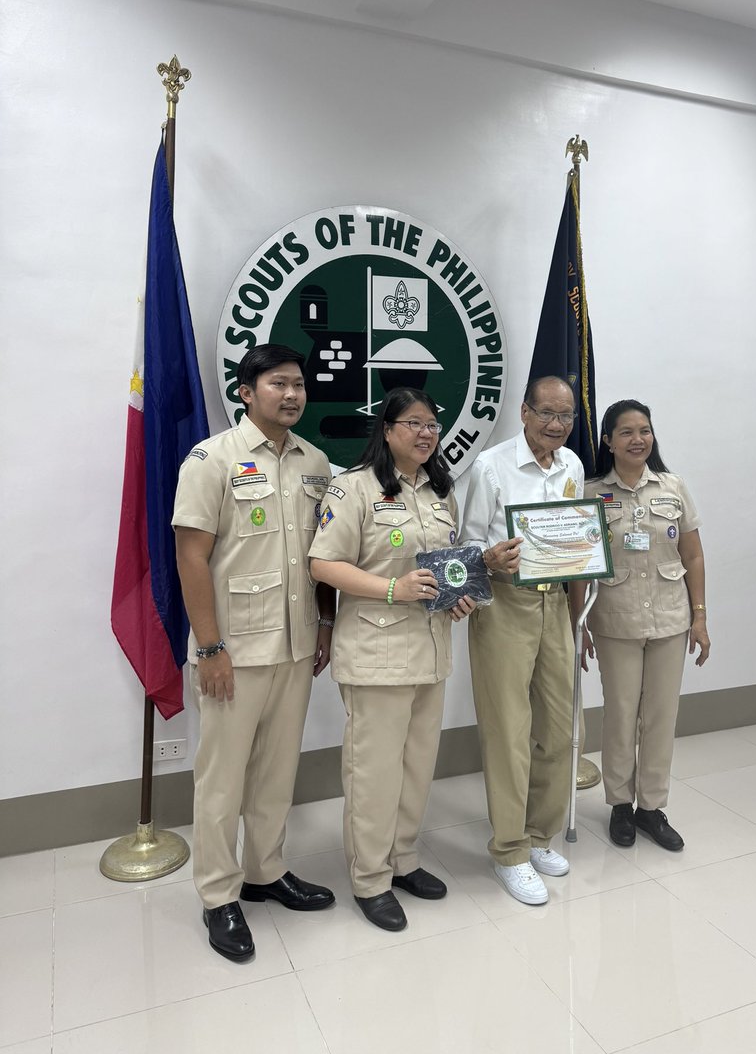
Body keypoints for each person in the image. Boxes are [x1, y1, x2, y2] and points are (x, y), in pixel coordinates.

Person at [173, 344, 337, 963]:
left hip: (295, 645)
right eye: (278, 384)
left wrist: (323, 622)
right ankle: (219, 895)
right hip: (233, 650)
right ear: (246, 391)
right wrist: (209, 647)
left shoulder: (315, 462)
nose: (292, 394)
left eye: (299, 384)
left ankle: (265, 872)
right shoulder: (212, 459)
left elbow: (322, 558)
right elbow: (191, 557)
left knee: (275, 773)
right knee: (221, 780)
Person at [309, 387, 475, 933]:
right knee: (374, 773)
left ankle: (403, 860)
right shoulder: (352, 489)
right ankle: (370, 878)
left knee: (416, 767)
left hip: (430, 652)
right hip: (377, 654)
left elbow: (442, 567)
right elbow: (323, 565)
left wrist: (458, 593)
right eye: (413, 423)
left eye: (433, 424)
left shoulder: (439, 492)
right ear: (386, 430)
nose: (426, 433)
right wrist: (391, 589)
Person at [461, 375, 592, 906]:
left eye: (566, 417)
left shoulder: (573, 466)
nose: (557, 426)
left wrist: (578, 610)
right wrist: (490, 559)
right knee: (509, 732)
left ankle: (540, 836)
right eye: (547, 415)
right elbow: (467, 547)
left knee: (559, 728)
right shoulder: (491, 467)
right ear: (524, 412)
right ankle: (510, 850)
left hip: (555, 601)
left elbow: (577, 537)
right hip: (503, 604)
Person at [585, 399, 710, 852]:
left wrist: (700, 617)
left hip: (670, 620)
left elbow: (692, 555)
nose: (638, 440)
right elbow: (581, 565)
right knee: (620, 715)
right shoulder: (590, 491)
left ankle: (651, 808)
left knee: (660, 717)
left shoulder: (673, 487)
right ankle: (620, 804)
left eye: (645, 431)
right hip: (614, 620)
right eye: (626, 432)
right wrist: (578, 625)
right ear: (608, 441)